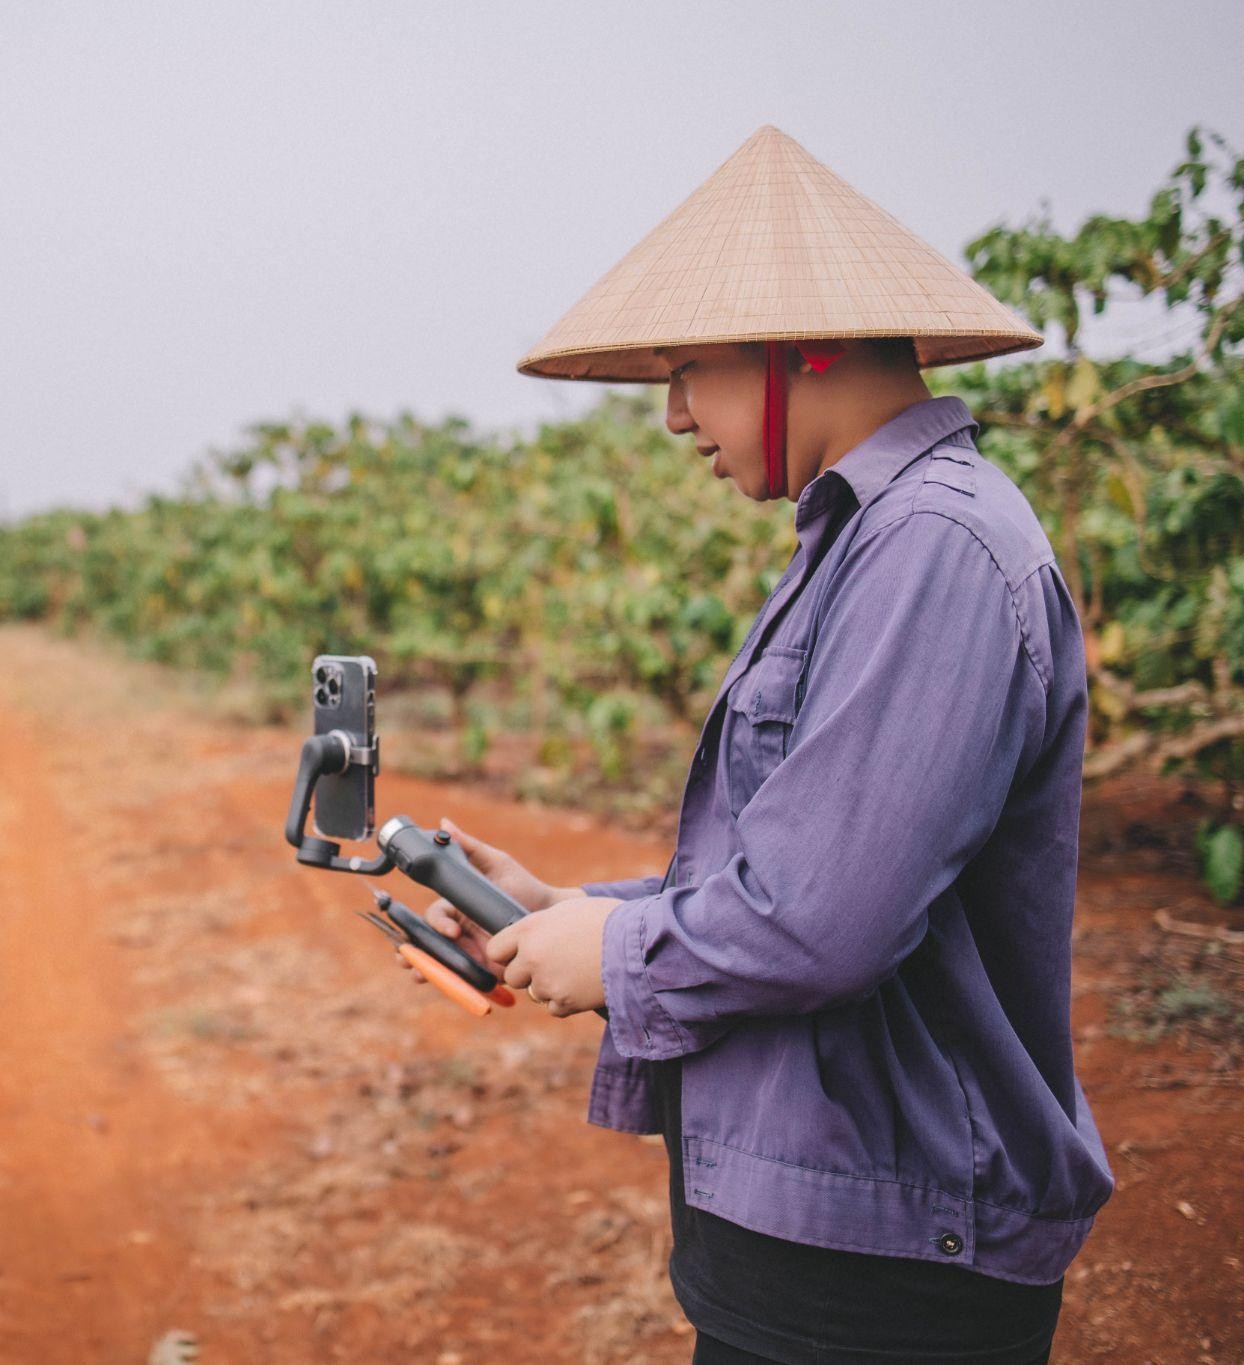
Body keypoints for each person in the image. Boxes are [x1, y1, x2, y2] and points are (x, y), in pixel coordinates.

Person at [396, 126, 1115, 1363]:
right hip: (826, 1230)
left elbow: (823, 921)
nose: (674, 416)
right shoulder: (866, 539)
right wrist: (572, 910)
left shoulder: (932, 548)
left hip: (880, 1273)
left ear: (807, 343)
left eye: (689, 371)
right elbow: (801, 867)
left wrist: (618, 952)